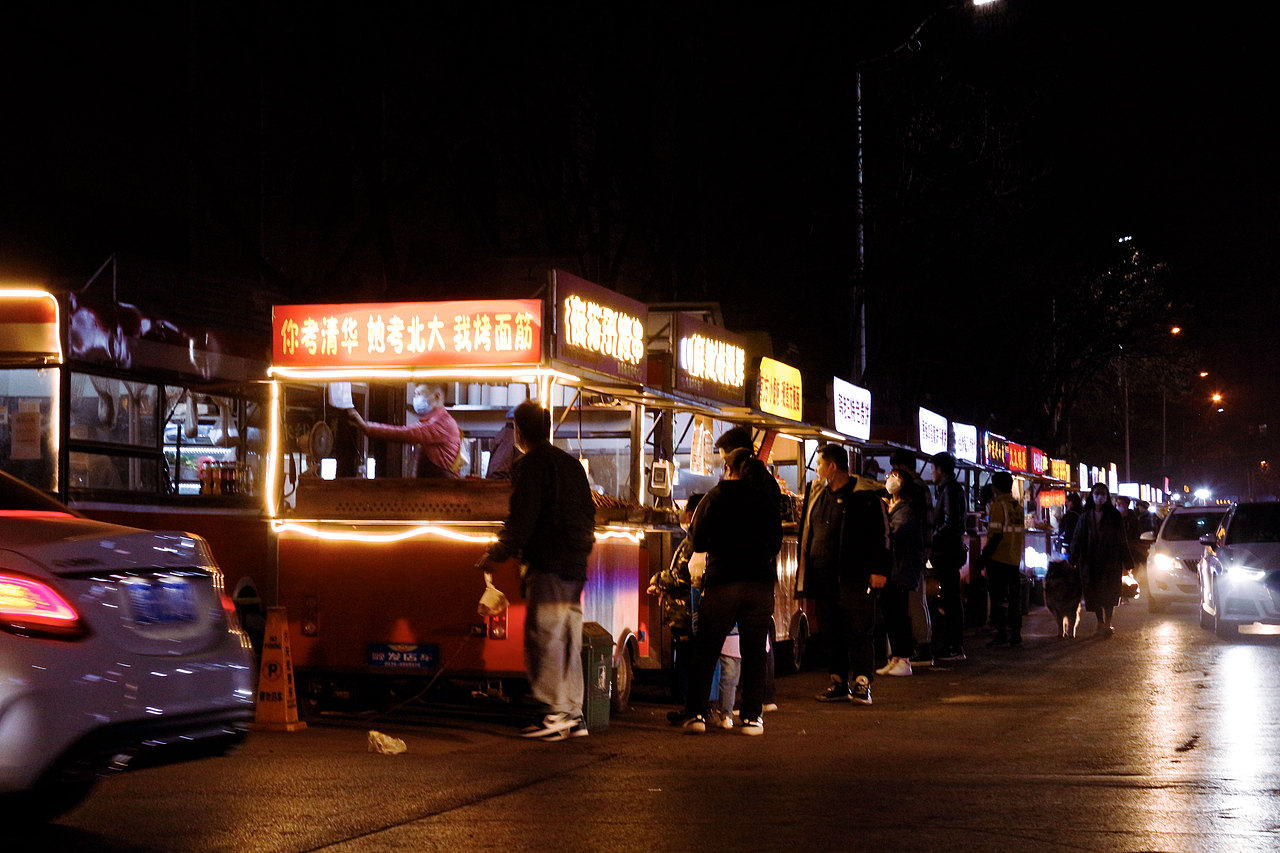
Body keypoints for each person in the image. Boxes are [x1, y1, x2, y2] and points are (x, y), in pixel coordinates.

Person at [476, 400, 596, 740]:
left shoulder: (532, 466)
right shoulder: (571, 465)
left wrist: (497, 553)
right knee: (568, 637)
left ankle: (554, 714)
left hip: (550, 563)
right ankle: (572, 713)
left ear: (519, 430)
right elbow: (588, 514)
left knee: (546, 637)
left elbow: (523, 519)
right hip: (574, 565)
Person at [671, 447, 782, 735]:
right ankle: (752, 718)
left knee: (707, 648)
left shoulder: (715, 497)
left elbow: (697, 542)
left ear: (728, 469)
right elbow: (775, 543)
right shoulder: (766, 499)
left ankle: (696, 714)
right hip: (759, 585)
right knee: (754, 650)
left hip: (723, 583)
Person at [797, 444, 891, 706]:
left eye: (819, 464)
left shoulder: (866, 497)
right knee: (831, 632)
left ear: (833, 467)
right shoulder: (818, 495)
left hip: (856, 577)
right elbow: (809, 534)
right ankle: (838, 683)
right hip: (824, 579)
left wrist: (879, 570)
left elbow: (882, 537)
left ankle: (862, 683)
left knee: (860, 630)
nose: (817, 469)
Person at [348, 382, 465, 478]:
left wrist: (366, 427)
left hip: (441, 495)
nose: (415, 399)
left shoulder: (442, 423)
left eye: (419, 394)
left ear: (437, 396)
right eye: (415, 394)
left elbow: (406, 433)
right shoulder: (434, 421)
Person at [875, 468, 926, 677]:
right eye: (889, 476)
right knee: (891, 614)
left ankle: (904, 659)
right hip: (893, 568)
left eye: (895, 477)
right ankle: (896, 657)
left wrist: (882, 520)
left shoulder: (906, 509)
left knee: (898, 615)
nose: (890, 480)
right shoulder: (894, 505)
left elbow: (896, 533)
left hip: (901, 568)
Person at [1069, 482, 1134, 639]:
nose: (1100, 497)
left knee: (1110, 593)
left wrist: (1127, 561)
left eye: (1103, 494)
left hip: (1110, 561)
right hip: (1090, 562)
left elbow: (1121, 539)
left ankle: (1108, 622)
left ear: (1107, 496)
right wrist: (1073, 558)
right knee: (1094, 593)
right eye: (1097, 493)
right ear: (1092, 495)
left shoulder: (1114, 516)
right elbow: (1077, 538)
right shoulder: (1085, 517)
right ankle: (1100, 622)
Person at [889, 449, 934, 667]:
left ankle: (921, 647)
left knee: (914, 600)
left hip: (912, 552)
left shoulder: (912, 490)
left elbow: (907, 526)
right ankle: (919, 646)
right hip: (920, 550)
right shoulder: (922, 487)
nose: (892, 474)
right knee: (917, 598)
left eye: (895, 469)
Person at [929, 451, 969, 662]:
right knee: (950, 598)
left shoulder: (950, 490)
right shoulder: (949, 489)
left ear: (941, 470)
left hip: (947, 552)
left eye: (934, 469)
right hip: (949, 551)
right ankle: (954, 644)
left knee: (950, 599)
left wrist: (932, 537)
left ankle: (954, 645)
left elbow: (951, 522)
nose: (932, 473)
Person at [980, 472, 1027, 647]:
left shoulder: (998, 506)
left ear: (995, 487)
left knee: (998, 599)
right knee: (1014, 599)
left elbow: (995, 534)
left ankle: (1001, 634)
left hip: (998, 558)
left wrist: (984, 556)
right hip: (1014, 559)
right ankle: (1016, 634)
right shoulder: (1017, 507)